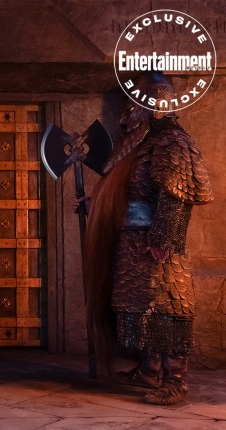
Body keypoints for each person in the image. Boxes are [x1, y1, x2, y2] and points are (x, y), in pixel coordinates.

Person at [80, 72, 213, 405]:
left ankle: (175, 379)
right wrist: (94, 204)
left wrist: (163, 238)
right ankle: (148, 370)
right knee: (143, 308)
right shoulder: (143, 143)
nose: (129, 113)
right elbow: (131, 194)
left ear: (156, 103)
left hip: (157, 244)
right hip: (134, 241)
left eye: (137, 104)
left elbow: (175, 196)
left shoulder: (172, 142)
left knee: (167, 307)